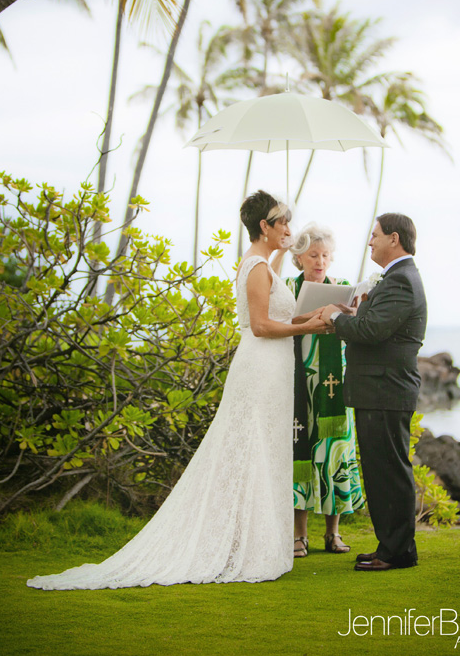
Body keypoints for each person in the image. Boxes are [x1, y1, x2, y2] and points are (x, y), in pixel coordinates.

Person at [27, 190, 327, 590]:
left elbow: (282, 313)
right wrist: (306, 327)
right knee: (248, 449)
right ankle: (240, 546)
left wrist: (319, 314)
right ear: (264, 227)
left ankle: (255, 542)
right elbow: (260, 326)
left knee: (265, 450)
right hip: (259, 368)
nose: (289, 228)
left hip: (275, 370)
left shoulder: (265, 265)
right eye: (283, 222)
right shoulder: (255, 267)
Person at [321, 213, 427, 571]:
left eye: (375, 235)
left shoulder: (401, 281)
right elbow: (373, 324)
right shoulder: (396, 279)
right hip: (379, 390)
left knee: (389, 472)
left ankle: (397, 552)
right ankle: (392, 546)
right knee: (381, 470)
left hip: (385, 389)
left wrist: (335, 318)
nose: (370, 241)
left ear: (393, 239)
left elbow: (370, 331)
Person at [272, 224, 364, 558]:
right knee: (302, 454)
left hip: (334, 385)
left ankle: (333, 533)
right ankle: (299, 536)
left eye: (325, 255)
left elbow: (353, 329)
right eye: (313, 255)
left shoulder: (341, 288)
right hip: (299, 384)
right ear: (299, 257)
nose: (320, 261)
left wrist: (351, 312)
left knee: (334, 454)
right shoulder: (288, 288)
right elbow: (279, 325)